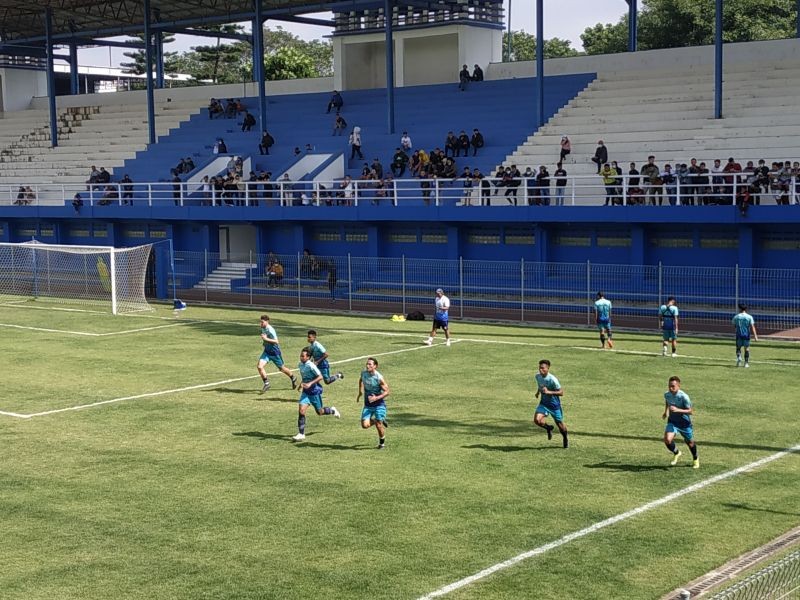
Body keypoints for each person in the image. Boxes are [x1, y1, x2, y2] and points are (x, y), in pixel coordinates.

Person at [292, 348, 340, 442]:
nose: (301, 357)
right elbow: (305, 377)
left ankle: (332, 410)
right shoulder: (300, 365)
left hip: (314, 392)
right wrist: (301, 384)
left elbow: (320, 377)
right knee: (301, 411)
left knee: (320, 412)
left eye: (303, 356)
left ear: (308, 357)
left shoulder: (311, 366)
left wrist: (310, 383)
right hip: (306, 392)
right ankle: (301, 434)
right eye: (300, 355)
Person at [662, 376, 699, 468]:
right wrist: (666, 411)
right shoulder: (667, 394)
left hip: (684, 423)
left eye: (673, 386)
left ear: (678, 386)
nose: (671, 388)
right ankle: (677, 452)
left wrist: (677, 410)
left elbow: (690, 411)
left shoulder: (684, 397)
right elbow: (668, 401)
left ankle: (695, 458)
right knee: (667, 439)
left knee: (690, 442)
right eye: (669, 386)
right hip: (673, 421)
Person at [257, 314, 298, 392]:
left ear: (267, 322)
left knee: (282, 369)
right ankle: (267, 383)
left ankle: (293, 377)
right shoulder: (263, 328)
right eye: (260, 322)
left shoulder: (270, 330)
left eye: (262, 322)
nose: (261, 324)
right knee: (259, 366)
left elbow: (276, 341)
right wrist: (265, 342)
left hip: (274, 352)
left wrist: (266, 339)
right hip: (267, 352)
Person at [534, 359, 568, 448]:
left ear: (548, 368)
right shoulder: (537, 376)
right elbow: (540, 385)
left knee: (560, 426)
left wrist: (549, 392)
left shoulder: (553, 379)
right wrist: (538, 392)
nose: (540, 370)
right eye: (539, 368)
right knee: (537, 420)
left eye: (543, 368)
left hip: (554, 406)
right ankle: (548, 428)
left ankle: (565, 437)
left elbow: (561, 392)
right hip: (544, 403)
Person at [357, 357, 390, 449]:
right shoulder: (364, 373)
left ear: (375, 366)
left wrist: (376, 398)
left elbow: (387, 391)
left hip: (379, 405)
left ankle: (382, 443)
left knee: (378, 425)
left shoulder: (379, 378)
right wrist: (360, 392)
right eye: (367, 364)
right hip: (368, 405)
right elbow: (361, 380)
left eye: (370, 364)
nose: (367, 366)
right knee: (364, 425)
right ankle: (378, 420)